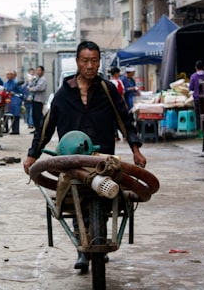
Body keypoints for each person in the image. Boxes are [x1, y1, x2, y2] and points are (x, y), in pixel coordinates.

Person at [22, 41, 146, 273]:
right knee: (73, 197)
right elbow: (47, 126)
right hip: (71, 159)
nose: (90, 66)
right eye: (85, 61)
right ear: (78, 62)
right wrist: (32, 156)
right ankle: (82, 247)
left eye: (94, 61)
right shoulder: (63, 93)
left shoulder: (108, 90)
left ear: (99, 62)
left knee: (107, 195)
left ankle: (97, 239)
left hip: (103, 159)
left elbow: (124, 120)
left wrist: (136, 150)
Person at [188, 60, 204, 131]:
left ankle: (200, 130)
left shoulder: (194, 76)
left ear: (196, 68)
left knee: (198, 115)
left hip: (197, 99)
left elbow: (191, 88)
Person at [28, 66, 48, 134]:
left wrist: (32, 89)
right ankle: (37, 128)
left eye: (39, 70)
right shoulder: (37, 79)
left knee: (38, 115)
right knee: (34, 115)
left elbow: (40, 88)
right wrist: (30, 81)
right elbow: (31, 85)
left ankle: (40, 129)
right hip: (35, 99)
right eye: (37, 70)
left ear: (43, 71)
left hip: (39, 100)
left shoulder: (43, 79)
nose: (38, 72)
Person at [3, 70, 23, 134]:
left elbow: (21, 92)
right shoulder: (5, 83)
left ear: (12, 75)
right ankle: (5, 129)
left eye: (10, 74)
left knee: (15, 115)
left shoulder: (16, 83)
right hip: (7, 101)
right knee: (6, 115)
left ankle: (16, 130)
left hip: (15, 100)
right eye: (7, 74)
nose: (8, 76)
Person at [110, 66, 126, 140]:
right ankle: (120, 134)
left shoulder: (115, 82)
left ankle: (118, 135)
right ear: (116, 73)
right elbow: (119, 94)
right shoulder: (115, 82)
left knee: (116, 119)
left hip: (116, 103)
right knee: (118, 119)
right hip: (116, 103)